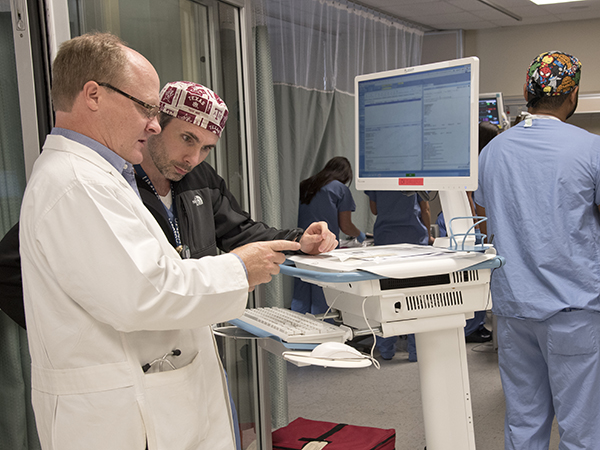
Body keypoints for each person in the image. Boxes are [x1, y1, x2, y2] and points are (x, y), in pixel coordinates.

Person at [18, 32, 314, 450]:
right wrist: (238, 269)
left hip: (147, 394)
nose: (154, 124)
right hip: (120, 414)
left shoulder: (101, 177)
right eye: (146, 108)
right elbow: (145, 292)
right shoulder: (76, 184)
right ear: (93, 95)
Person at [474, 51, 600, 449]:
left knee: (523, 421)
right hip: (573, 309)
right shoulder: (590, 148)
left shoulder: (493, 151)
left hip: (513, 310)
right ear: (572, 94)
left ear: (529, 92)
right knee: (582, 428)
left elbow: (485, 210)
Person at [436, 121, 500, 343]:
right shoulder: (480, 163)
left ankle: (468, 325)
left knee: (463, 279)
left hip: (453, 221)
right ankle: (471, 327)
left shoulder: (466, 161)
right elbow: (471, 200)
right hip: (465, 223)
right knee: (474, 276)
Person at [364, 191, 432, 361]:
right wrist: (429, 234)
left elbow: (374, 210)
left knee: (386, 297)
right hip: (414, 240)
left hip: (386, 240)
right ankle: (416, 352)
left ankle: (386, 350)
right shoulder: (416, 176)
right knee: (416, 299)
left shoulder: (377, 180)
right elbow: (426, 209)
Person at [291, 156, 365, 314]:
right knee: (323, 295)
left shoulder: (306, 184)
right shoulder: (339, 188)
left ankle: (300, 334)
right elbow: (345, 226)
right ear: (346, 175)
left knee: (301, 294)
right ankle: (324, 333)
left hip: (301, 245)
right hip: (324, 248)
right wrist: (361, 235)